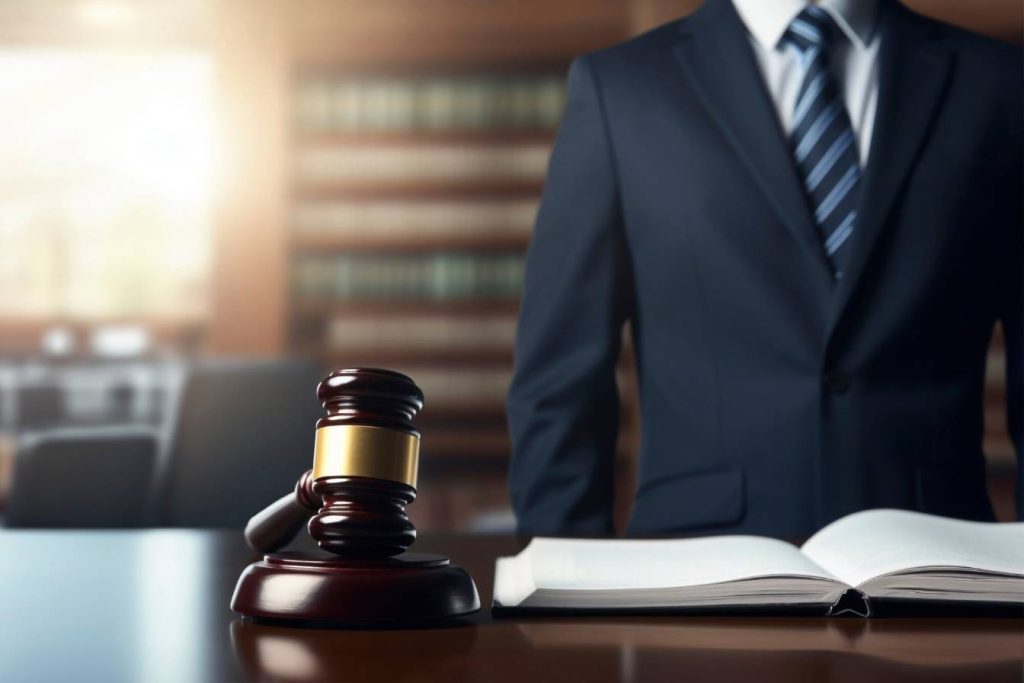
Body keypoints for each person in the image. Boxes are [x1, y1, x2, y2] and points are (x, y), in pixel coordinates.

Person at [506, 0, 1022, 537]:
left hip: (937, 567)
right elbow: (559, 379)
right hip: (694, 573)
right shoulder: (622, 88)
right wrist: (563, 589)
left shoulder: (999, 86)